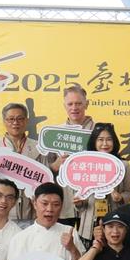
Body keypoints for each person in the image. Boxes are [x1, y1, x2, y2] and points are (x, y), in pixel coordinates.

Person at [72, 123, 130, 249]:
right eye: (100, 139)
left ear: (114, 142)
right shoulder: (85, 165)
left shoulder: (123, 165)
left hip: (115, 224)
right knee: (89, 257)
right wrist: (79, 202)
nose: (105, 143)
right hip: (88, 225)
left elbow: (129, 192)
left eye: (109, 139)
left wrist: (121, 197)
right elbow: (79, 195)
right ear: (94, 142)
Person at [0, 102, 44, 225]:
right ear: (4, 121)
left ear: (26, 121)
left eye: (20, 119)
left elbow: (44, 179)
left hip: (30, 211)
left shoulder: (37, 147)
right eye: (11, 119)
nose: (15, 123)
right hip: (3, 211)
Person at [46, 84, 95, 227]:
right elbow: (44, 170)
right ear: (64, 106)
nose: (74, 108)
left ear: (87, 104)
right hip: (64, 206)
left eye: (78, 103)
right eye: (70, 104)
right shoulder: (55, 134)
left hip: (92, 203)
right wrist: (54, 166)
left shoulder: (100, 132)